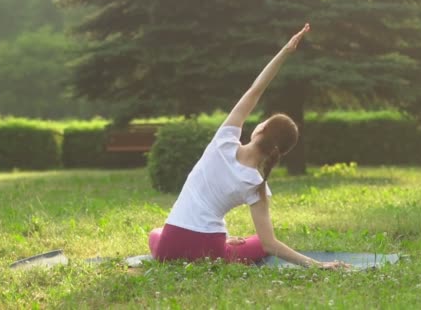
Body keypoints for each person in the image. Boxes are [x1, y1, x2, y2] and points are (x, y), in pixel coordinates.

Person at [148, 24, 348, 269]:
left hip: (171, 245)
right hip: (210, 250)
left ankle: (214, 245)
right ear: (280, 152)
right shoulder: (257, 184)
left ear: (260, 130)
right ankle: (219, 247)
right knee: (253, 243)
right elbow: (270, 245)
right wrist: (317, 265)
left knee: (154, 234)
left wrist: (285, 52)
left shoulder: (223, 141)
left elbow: (256, 90)